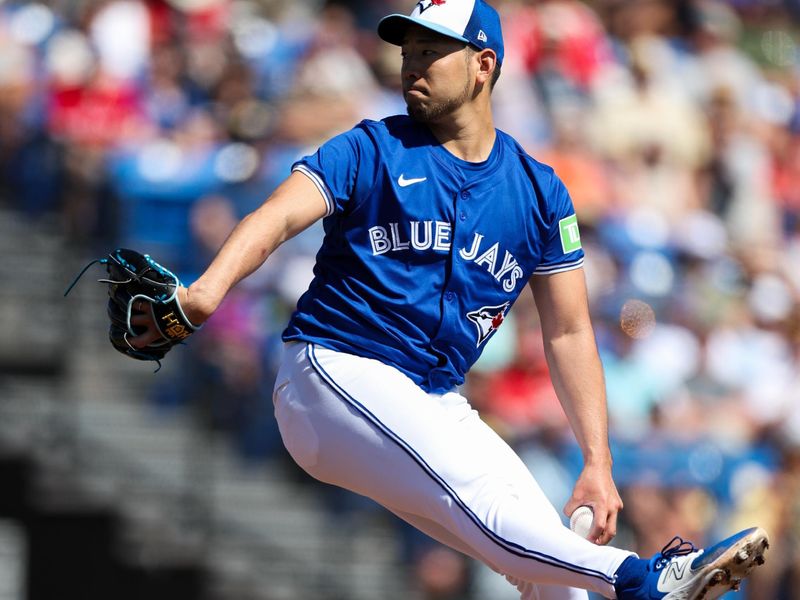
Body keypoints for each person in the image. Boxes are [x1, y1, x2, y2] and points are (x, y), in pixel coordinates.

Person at [128, 1, 768, 598]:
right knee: (495, 515)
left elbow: (571, 332)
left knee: (549, 569)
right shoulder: (371, 147)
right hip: (334, 372)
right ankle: (647, 578)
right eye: (407, 48)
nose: (411, 62)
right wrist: (208, 290)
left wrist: (597, 462)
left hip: (435, 399)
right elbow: (277, 215)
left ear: (483, 64)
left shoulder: (540, 191)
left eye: (431, 49)